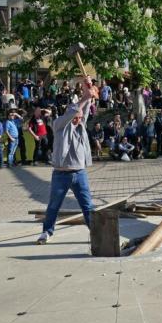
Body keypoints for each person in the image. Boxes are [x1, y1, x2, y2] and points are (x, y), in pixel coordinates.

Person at [37, 76, 96, 244]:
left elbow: (83, 108)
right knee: (53, 206)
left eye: (79, 115)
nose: (78, 117)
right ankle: (47, 232)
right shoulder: (59, 125)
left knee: (88, 207)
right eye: (75, 115)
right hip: (60, 174)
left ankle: (96, 232)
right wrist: (85, 97)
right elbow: (75, 110)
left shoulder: (81, 125)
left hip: (80, 173)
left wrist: (87, 89)